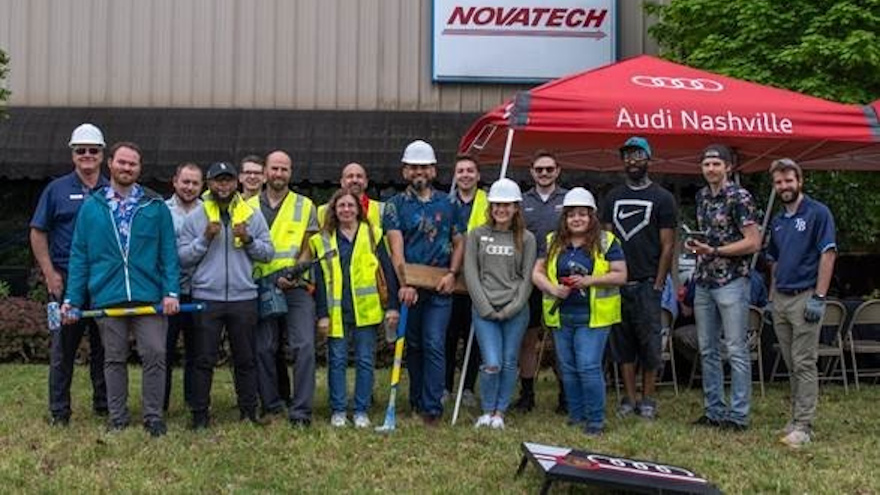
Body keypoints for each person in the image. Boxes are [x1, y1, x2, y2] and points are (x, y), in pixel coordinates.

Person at [62, 142, 180, 436]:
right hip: (107, 295)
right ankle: (118, 417)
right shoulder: (92, 207)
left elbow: (168, 253)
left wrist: (171, 292)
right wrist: (72, 299)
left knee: (154, 353)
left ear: (139, 168)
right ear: (111, 164)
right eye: (122, 162)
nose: (127, 168)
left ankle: (153, 417)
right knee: (113, 358)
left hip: (149, 295)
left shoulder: (155, 206)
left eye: (133, 164)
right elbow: (80, 256)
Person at [178, 162, 274, 428]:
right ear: (209, 184)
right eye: (218, 181)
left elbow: (268, 253)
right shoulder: (197, 216)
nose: (223, 186)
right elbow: (182, 258)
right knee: (203, 359)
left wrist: (250, 240)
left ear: (236, 183)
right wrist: (204, 239)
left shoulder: (250, 215)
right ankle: (199, 415)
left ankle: (248, 412)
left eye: (228, 180)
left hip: (243, 297)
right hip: (206, 297)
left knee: (245, 358)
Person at [30, 123, 109, 426]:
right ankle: (59, 411)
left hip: (102, 281)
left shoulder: (111, 190)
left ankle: (103, 405)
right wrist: (50, 274)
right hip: (65, 279)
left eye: (93, 150)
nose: (87, 155)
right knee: (64, 348)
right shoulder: (56, 189)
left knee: (105, 346)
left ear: (102, 155)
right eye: (81, 151)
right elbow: (38, 232)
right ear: (73, 154)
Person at [383, 139, 465, 425]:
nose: (419, 171)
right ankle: (416, 400)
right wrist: (404, 283)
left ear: (433, 170)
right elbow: (397, 250)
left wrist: (452, 274)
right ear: (405, 171)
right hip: (411, 288)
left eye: (424, 166)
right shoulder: (394, 206)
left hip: (441, 286)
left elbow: (458, 242)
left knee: (434, 342)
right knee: (414, 344)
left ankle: (432, 407)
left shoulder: (450, 204)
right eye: (413, 167)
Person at [532, 187, 626, 435]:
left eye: (582, 214)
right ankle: (576, 416)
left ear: (591, 216)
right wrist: (552, 288)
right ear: (564, 217)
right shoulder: (553, 241)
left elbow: (621, 274)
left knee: (588, 366)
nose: (577, 219)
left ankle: (595, 421)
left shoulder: (606, 241)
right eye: (571, 214)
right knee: (568, 367)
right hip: (562, 314)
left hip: (594, 316)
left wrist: (589, 281)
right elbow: (537, 272)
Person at [685, 144, 761, 431]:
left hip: (731, 280)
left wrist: (715, 250)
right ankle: (714, 410)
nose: (711, 169)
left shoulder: (740, 196)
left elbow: (753, 242)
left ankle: (738, 415)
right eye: (707, 165)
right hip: (705, 280)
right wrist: (699, 246)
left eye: (717, 164)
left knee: (736, 349)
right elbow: (710, 236)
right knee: (707, 349)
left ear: (728, 167)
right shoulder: (702, 196)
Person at [601, 137, 676, 420]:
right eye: (627, 156)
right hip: (619, 283)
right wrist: (609, 276)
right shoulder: (613, 197)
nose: (632, 161)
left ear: (649, 159)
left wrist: (658, 284)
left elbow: (668, 245)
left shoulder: (663, 198)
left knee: (650, 345)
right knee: (623, 345)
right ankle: (629, 398)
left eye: (638, 155)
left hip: (647, 283)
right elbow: (606, 240)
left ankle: (649, 399)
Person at [311, 189, 400, 428]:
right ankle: (338, 410)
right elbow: (319, 281)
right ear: (334, 210)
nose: (346, 210)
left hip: (366, 311)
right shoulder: (323, 239)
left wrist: (392, 306)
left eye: (351, 206)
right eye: (341, 206)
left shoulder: (373, 235)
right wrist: (321, 314)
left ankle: (361, 410)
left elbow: (387, 271)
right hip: (336, 312)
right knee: (337, 361)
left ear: (359, 209)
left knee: (365, 361)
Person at [766, 158, 837, 448]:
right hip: (781, 298)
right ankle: (795, 419)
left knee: (804, 361)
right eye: (779, 182)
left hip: (806, 296)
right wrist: (771, 296)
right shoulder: (779, 220)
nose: (784, 186)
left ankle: (804, 426)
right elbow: (774, 259)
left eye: (788, 181)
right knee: (790, 362)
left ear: (800, 181)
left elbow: (828, 253)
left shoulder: (818, 213)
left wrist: (819, 297)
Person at [247, 151, 320, 427]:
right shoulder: (247, 206)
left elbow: (308, 245)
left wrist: (295, 272)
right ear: (265, 172)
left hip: (295, 285)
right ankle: (273, 405)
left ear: (291, 172)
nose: (279, 174)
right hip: (261, 285)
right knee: (264, 348)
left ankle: (301, 411)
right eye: (274, 169)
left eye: (284, 169)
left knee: (304, 346)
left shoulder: (305, 205)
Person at [464, 179, 536, 429]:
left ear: (516, 207)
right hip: (485, 311)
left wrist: (511, 308)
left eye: (506, 205)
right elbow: (471, 273)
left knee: (508, 361)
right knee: (492, 362)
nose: (501, 210)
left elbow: (528, 279)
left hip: (515, 311)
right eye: (496, 205)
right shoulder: (477, 235)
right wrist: (485, 307)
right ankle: (486, 410)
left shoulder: (526, 239)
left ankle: (500, 412)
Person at [514, 150, 569, 414]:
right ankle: (527, 395)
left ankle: (566, 394)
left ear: (558, 170)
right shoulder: (522, 202)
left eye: (549, 169)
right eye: (539, 169)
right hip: (529, 278)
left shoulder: (569, 200)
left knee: (561, 340)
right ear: (532, 172)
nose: (544, 173)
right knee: (528, 339)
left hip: (561, 278)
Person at [240, 154, 290, 406]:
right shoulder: (237, 206)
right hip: (249, 284)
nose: (252, 177)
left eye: (256, 172)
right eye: (247, 172)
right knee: (260, 347)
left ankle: (279, 396)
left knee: (274, 346)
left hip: (284, 282)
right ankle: (264, 398)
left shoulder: (291, 205)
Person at [445, 155, 487, 407]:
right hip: (450, 278)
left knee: (474, 337)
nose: (465, 175)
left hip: (478, 279)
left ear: (478, 175)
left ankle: (468, 387)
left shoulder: (488, 202)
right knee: (448, 336)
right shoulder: (445, 202)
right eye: (460, 170)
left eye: (470, 170)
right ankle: (446, 386)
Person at [163, 162, 203, 411]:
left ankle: (193, 400)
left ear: (202, 186)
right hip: (169, 291)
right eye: (185, 182)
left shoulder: (209, 212)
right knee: (163, 350)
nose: (189, 187)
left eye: (195, 183)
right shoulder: (161, 211)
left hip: (200, 290)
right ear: (175, 182)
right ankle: (161, 402)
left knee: (197, 352)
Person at [317, 162, 384, 232]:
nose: (355, 180)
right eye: (350, 176)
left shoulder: (382, 210)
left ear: (366, 182)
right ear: (342, 182)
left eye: (359, 176)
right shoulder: (322, 212)